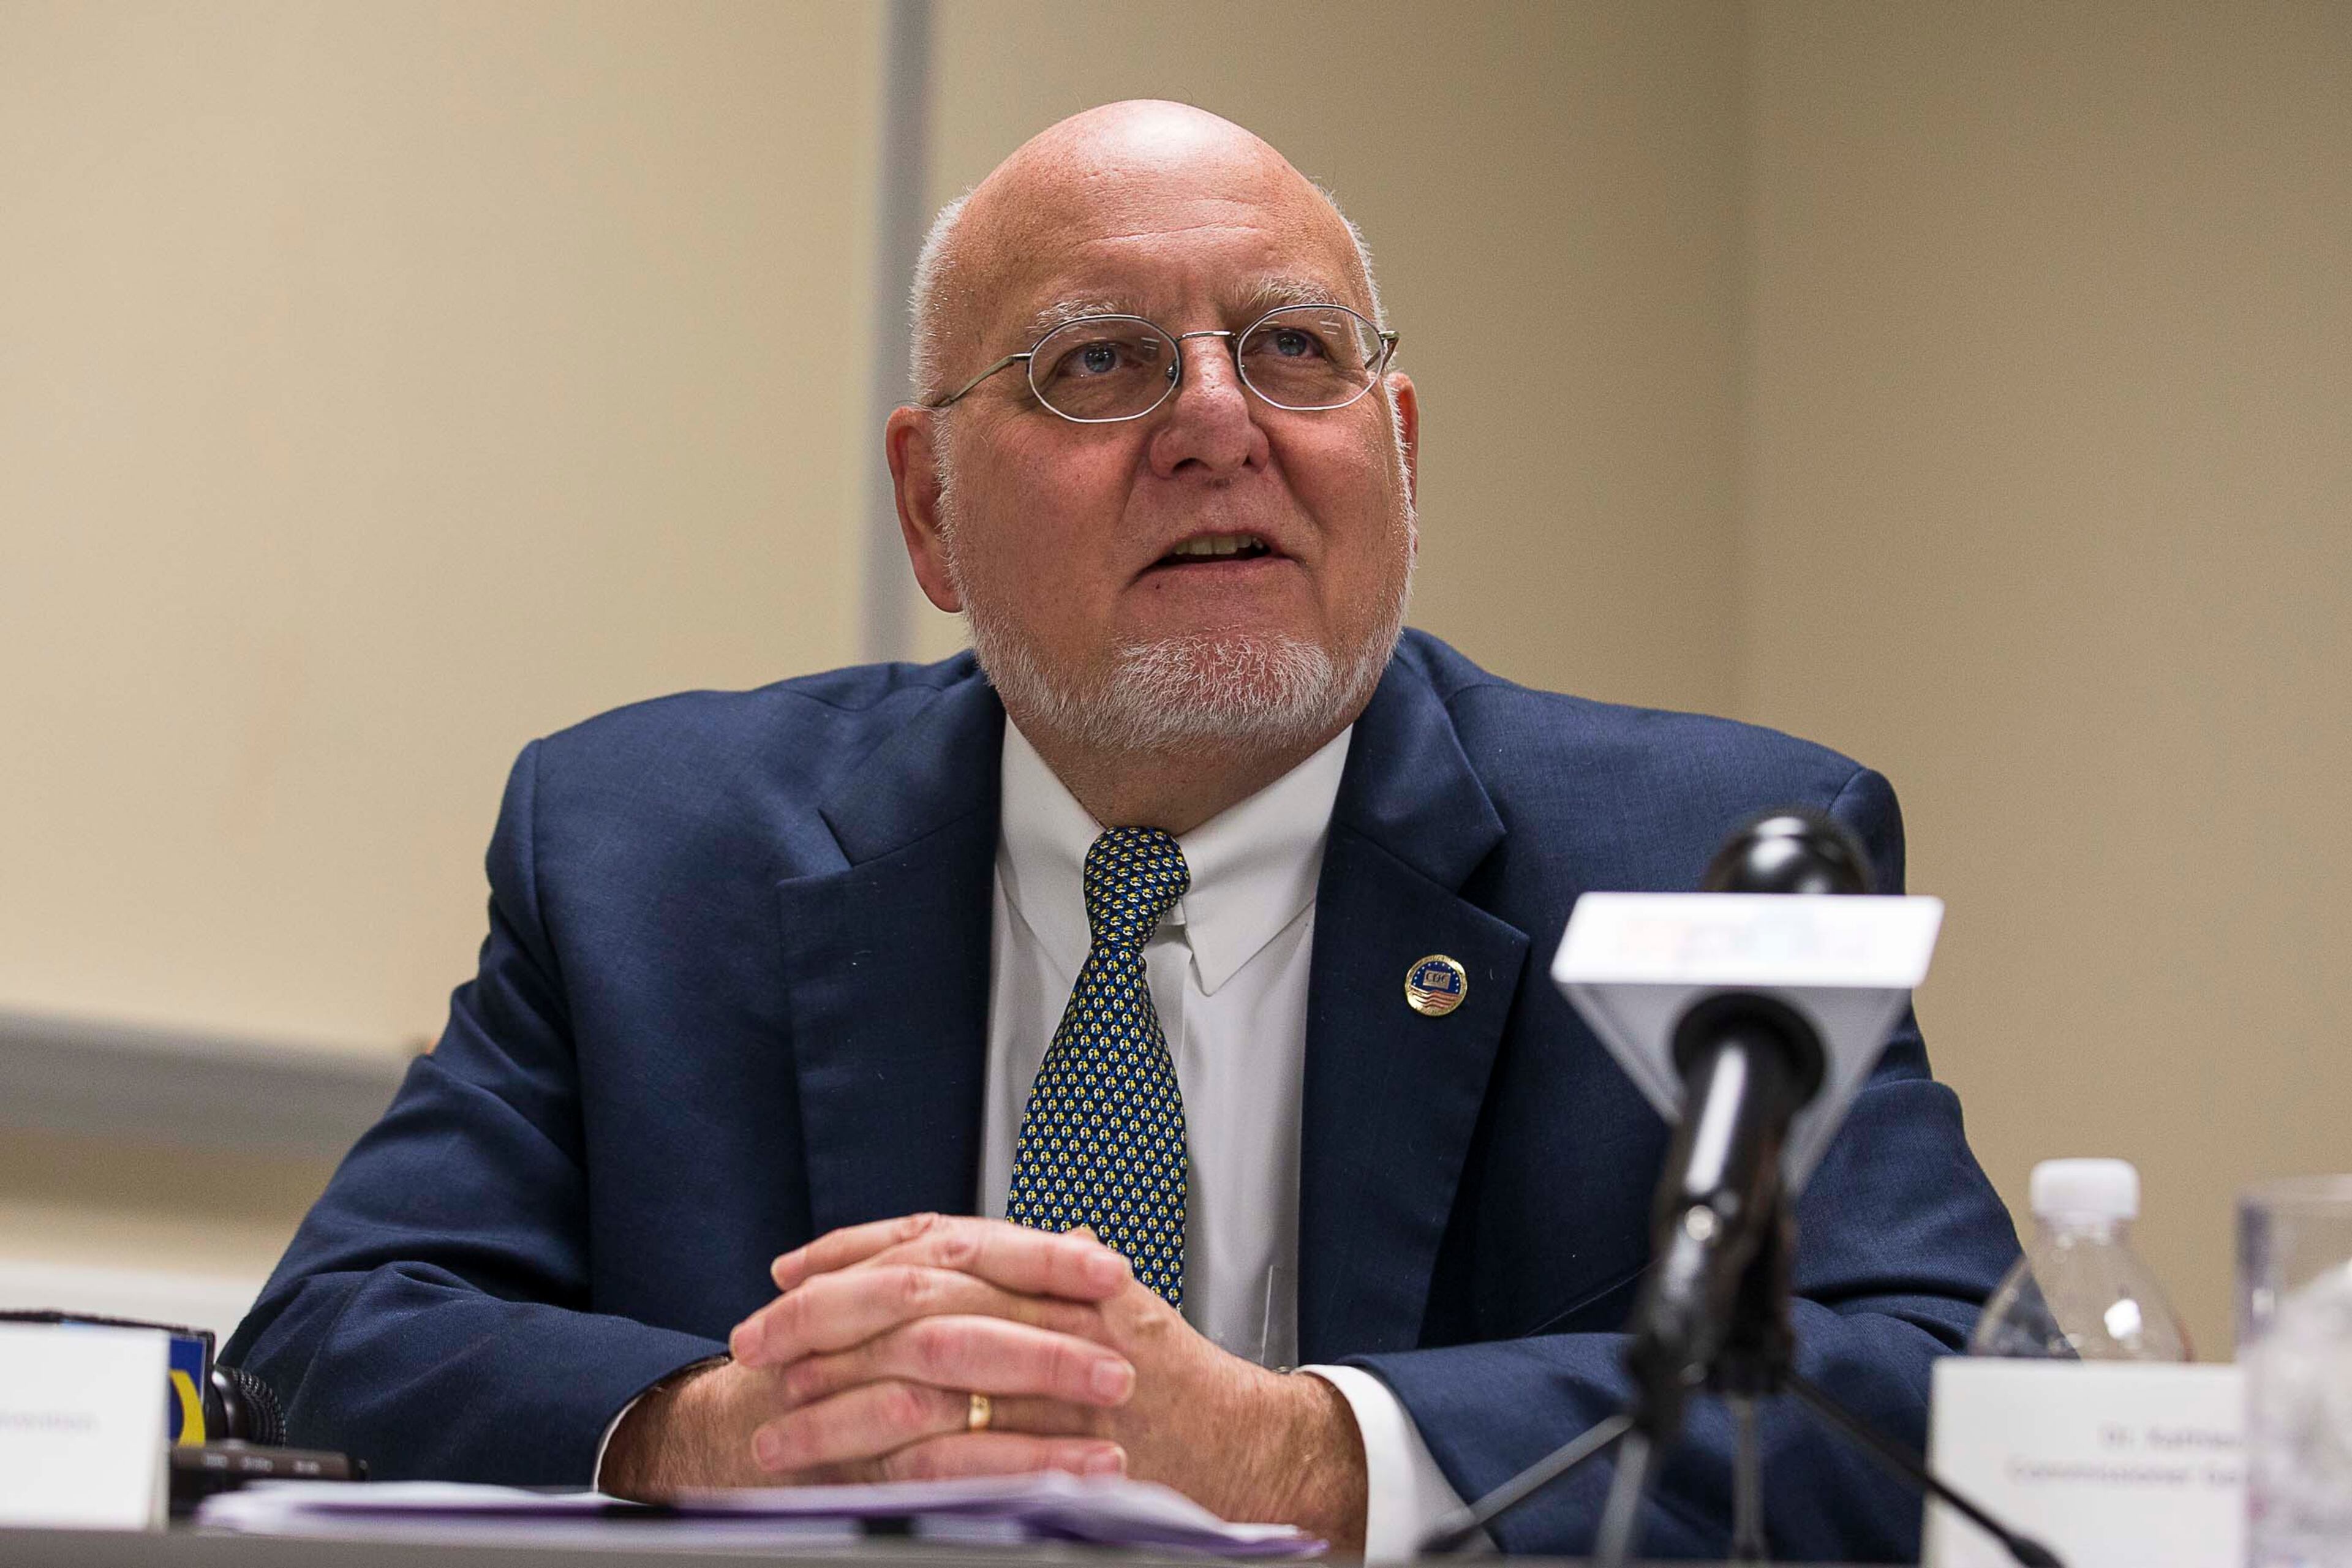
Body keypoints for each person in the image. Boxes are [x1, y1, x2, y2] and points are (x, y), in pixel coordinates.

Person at [225, 100, 2018, 1560]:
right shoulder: (641, 848)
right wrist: (718, 1435)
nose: (1220, 426)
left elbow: (1944, 1399)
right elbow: (329, 1341)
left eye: (1296, 352)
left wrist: (1298, 1450)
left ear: (1400, 456)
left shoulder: (1720, 848)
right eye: (1098, 366)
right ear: (929, 511)